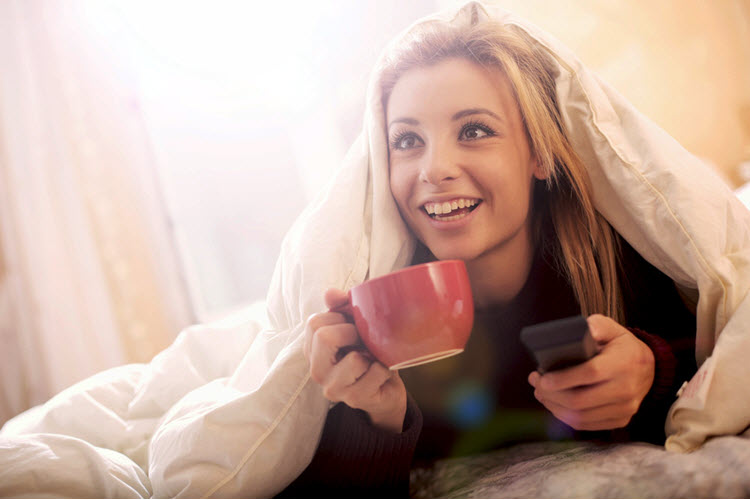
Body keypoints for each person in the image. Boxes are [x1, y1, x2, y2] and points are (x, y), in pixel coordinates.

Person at [279, 2, 699, 497]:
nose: (434, 169)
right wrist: (377, 419)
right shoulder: (377, 312)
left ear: (539, 153)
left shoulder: (615, 259)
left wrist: (654, 369)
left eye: (474, 131)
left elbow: (725, 350)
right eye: (408, 140)